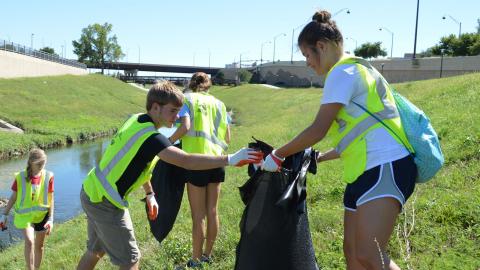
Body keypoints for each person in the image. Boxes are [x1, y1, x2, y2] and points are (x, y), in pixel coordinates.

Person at [261, 10, 417, 270]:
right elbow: (358, 134)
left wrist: (277, 154)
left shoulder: (342, 73)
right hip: (363, 170)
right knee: (352, 253)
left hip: (385, 165)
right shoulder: (355, 69)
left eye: (307, 55)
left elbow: (318, 129)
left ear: (321, 46)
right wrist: (320, 156)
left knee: (368, 254)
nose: (308, 63)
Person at [76, 80, 261, 270]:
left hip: (91, 190)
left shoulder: (136, 120)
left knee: (95, 251)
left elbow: (138, 163)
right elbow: (186, 161)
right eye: (173, 111)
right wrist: (229, 159)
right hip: (106, 202)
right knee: (131, 260)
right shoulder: (151, 138)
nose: (177, 116)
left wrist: (150, 194)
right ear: (156, 108)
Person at [168, 72, 231, 268]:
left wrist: (168, 142)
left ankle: (195, 261)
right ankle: (207, 256)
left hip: (196, 162)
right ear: (209, 85)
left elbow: (185, 127)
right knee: (213, 211)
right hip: (217, 160)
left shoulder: (186, 99)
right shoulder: (220, 104)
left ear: (191, 83)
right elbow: (227, 137)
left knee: (198, 215)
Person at [0, 148, 54, 270]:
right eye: (39, 164)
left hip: (42, 216)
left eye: (43, 163)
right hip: (25, 217)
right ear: (31, 163)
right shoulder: (20, 177)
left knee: (39, 246)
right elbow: (13, 197)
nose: (41, 166)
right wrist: (4, 214)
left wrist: (50, 218)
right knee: (30, 241)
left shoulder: (48, 176)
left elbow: (51, 198)